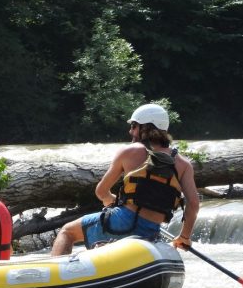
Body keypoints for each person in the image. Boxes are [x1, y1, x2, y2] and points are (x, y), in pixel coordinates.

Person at [51, 103, 199, 255]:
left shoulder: (128, 152)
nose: (130, 131)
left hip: (122, 222)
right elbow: (193, 204)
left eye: (134, 125)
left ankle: (55, 276)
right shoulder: (184, 165)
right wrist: (184, 236)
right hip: (150, 230)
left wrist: (111, 200)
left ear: (145, 128)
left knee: (67, 232)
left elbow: (101, 191)